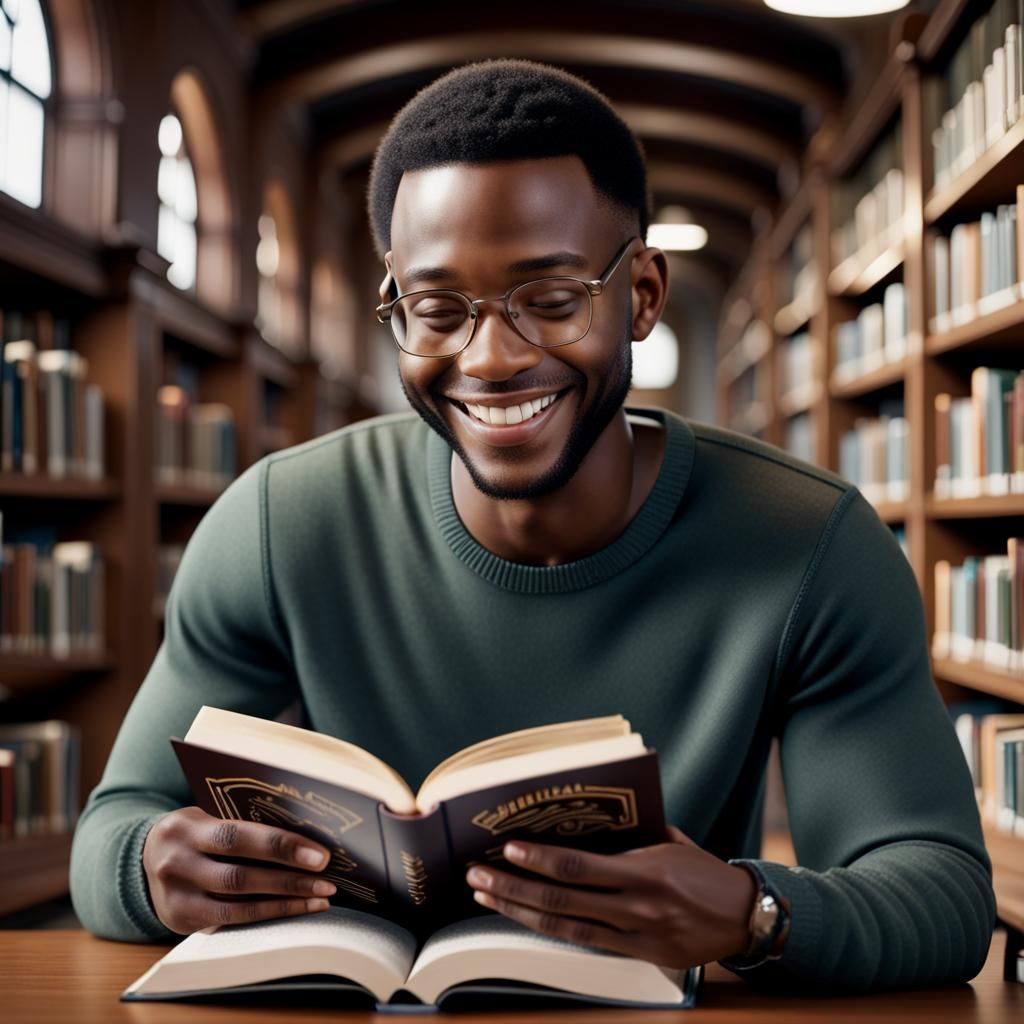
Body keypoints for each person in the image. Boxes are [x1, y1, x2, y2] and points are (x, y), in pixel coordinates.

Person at [70, 59, 995, 993]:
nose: (493, 358)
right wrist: (156, 868)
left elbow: (945, 896)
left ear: (640, 294)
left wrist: (749, 913)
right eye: (436, 310)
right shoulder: (276, 524)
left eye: (550, 302)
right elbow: (111, 831)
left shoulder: (815, 545)